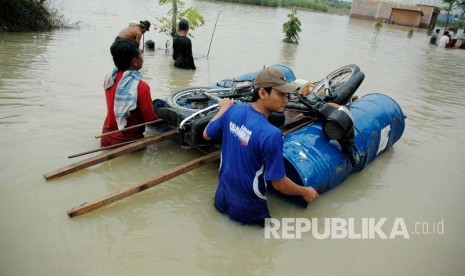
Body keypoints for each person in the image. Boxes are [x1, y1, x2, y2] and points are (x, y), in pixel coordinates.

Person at [203, 67, 319, 225]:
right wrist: (305, 192)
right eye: (281, 94)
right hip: (249, 210)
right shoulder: (271, 134)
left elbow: (207, 134)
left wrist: (223, 108)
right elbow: (279, 184)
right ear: (263, 93)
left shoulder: (233, 110)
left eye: (287, 94)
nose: (286, 99)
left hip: (221, 199)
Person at [101, 39, 157, 147]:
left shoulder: (110, 78)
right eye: (140, 53)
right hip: (127, 142)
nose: (142, 56)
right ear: (134, 61)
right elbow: (150, 119)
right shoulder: (141, 86)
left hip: (106, 137)